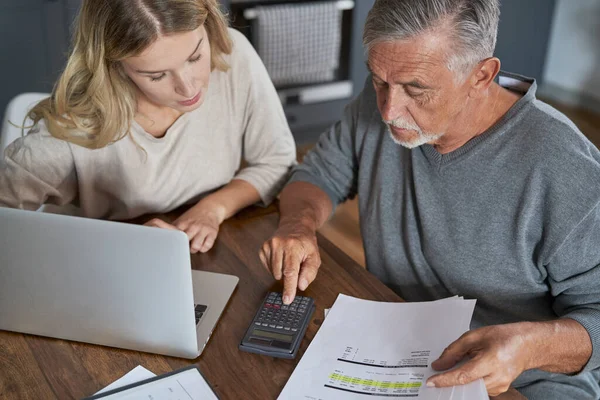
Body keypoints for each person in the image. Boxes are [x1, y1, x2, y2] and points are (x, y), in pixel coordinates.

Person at [259, 0, 600, 398]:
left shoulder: (566, 168)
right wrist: (297, 226)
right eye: (379, 81)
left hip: (521, 383)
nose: (388, 110)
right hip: (395, 353)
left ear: (481, 75)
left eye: (416, 89)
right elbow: (317, 175)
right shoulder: (377, 105)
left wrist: (527, 349)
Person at [0, 0, 296, 254]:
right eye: (156, 75)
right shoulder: (71, 133)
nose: (188, 86)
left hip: (202, 254)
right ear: (114, 67)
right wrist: (126, 241)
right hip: (92, 271)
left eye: (194, 57)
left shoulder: (233, 54)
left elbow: (277, 161)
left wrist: (212, 209)